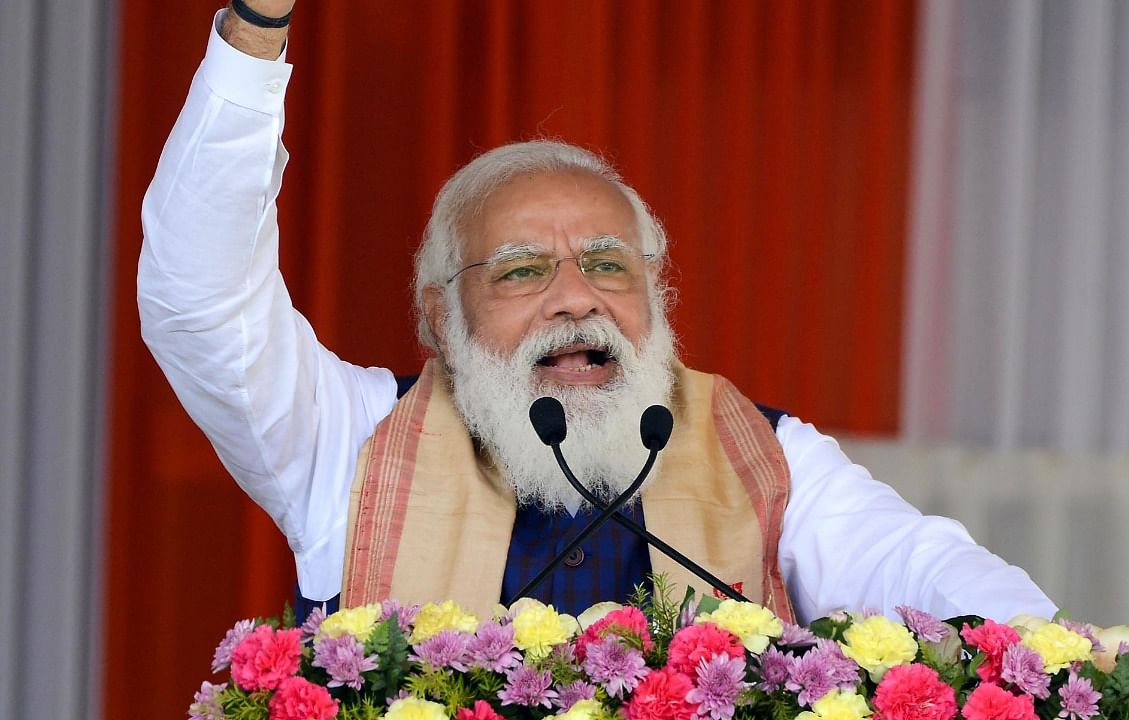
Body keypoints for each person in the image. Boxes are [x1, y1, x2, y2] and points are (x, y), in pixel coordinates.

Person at [139, 1, 1057, 624]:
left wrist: (1060, 667)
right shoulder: (346, 443)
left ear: (656, 296)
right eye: (522, 270)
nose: (575, 297)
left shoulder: (769, 458)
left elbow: (931, 575)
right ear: (439, 314)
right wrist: (256, 27)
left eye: (609, 265)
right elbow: (200, 301)